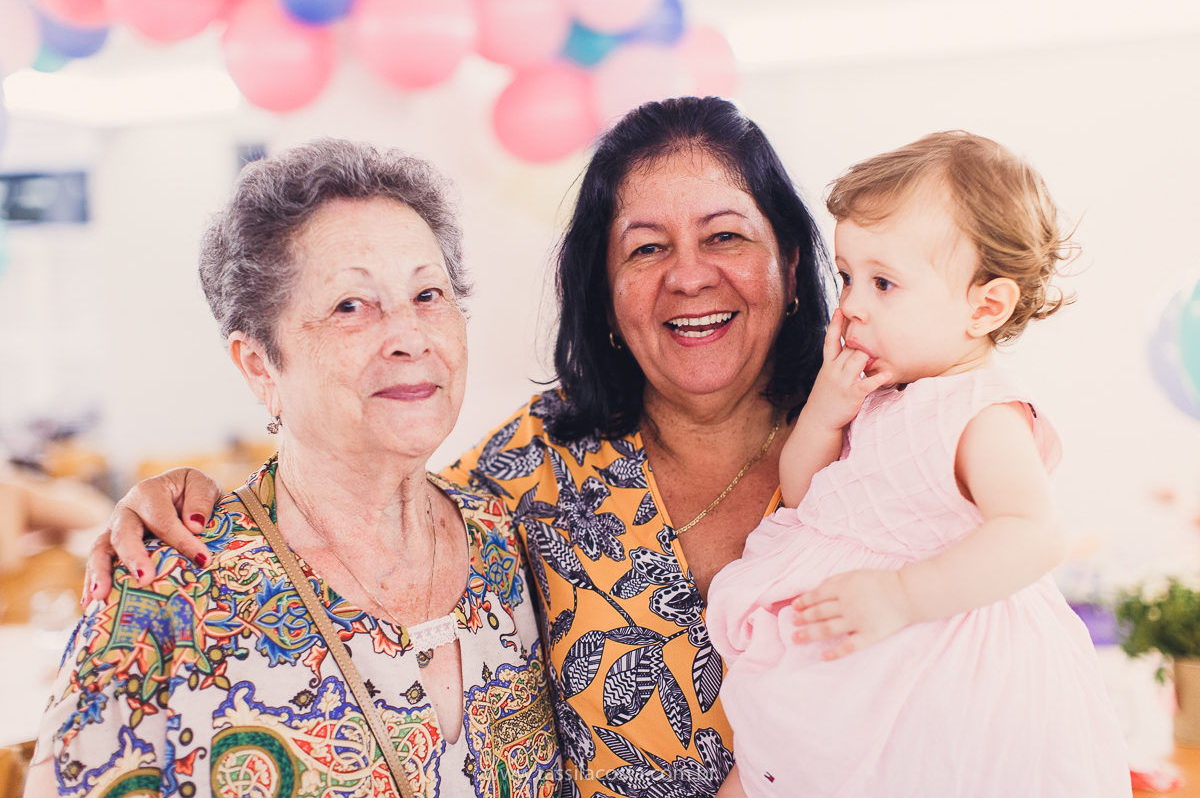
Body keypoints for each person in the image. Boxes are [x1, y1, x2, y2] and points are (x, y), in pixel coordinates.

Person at [84, 98, 832, 796]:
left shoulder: (878, 438)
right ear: (605, 291)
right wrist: (180, 497)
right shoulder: (529, 475)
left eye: (725, 236)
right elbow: (361, 487)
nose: (690, 276)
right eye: (646, 248)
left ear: (792, 262)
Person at [25, 140, 561, 798]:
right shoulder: (162, 599)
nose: (410, 336)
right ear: (259, 365)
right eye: (351, 306)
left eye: (428, 294)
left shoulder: (511, 540)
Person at [705, 132, 1130, 797]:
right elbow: (801, 497)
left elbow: (1035, 532)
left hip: (941, 672)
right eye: (847, 277)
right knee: (770, 767)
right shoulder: (881, 395)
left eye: (883, 283)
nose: (851, 305)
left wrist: (905, 594)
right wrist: (824, 413)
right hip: (853, 673)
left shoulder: (980, 414)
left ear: (985, 307)